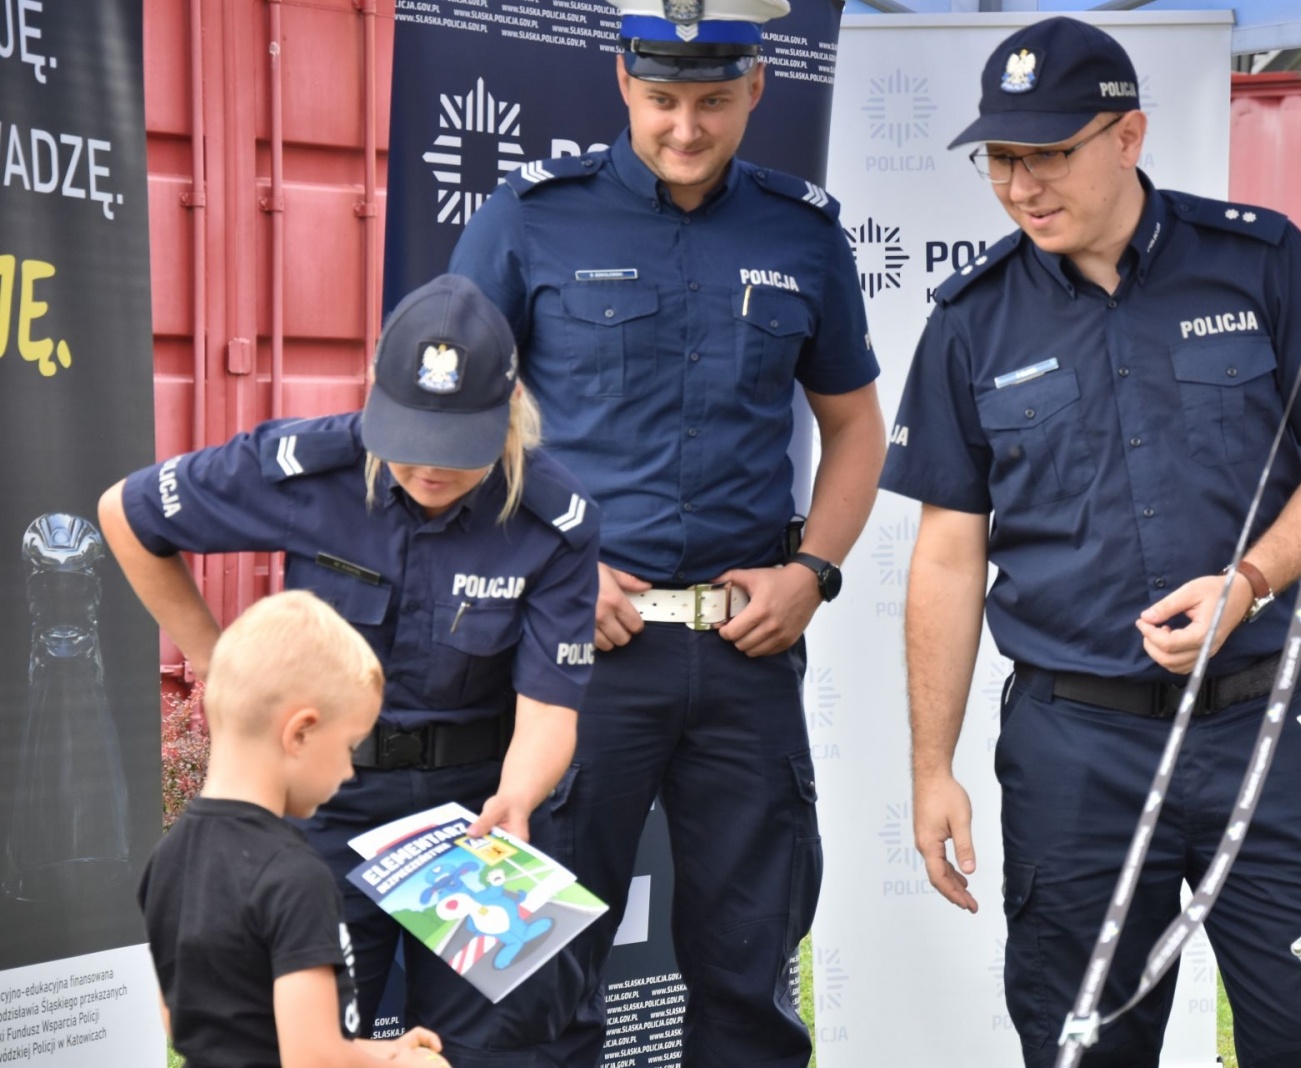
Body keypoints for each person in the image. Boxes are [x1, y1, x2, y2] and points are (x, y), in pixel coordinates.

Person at [878, 17, 1301, 1068]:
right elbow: (946, 558)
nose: (1021, 186)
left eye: (1049, 154)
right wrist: (931, 768)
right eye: (1002, 161)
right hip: (1079, 752)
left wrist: (1246, 583)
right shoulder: (970, 321)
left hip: (1266, 730)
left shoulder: (1261, 263)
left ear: (1129, 136)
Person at [446, 0, 885, 1063]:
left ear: (756, 90)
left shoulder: (802, 232)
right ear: (621, 82)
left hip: (746, 654)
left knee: (750, 979)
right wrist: (545, 566)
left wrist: (813, 573)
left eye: (712, 102)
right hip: (576, 656)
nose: (684, 127)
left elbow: (856, 429)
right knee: (527, 974)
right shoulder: (529, 217)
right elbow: (449, 420)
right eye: (661, 101)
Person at [100, 274, 600, 1068]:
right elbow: (126, 515)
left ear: (507, 417)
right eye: (407, 444)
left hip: (470, 817)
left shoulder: (552, 520)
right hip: (321, 805)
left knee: (491, 1048)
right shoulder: (308, 467)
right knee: (312, 1045)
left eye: (455, 453)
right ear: (374, 400)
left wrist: (519, 796)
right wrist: (217, 661)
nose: (427, 472)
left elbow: (549, 710)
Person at [138, 589, 450, 1068]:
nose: (349, 772)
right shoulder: (294, 876)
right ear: (300, 732)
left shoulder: (169, 856)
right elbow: (312, 1059)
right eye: (349, 747)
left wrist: (376, 1048)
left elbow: (183, 1022)